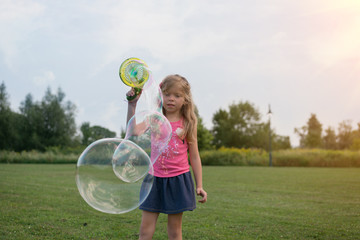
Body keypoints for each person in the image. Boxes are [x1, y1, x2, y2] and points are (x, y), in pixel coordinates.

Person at [126, 74, 207, 240]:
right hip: (154, 179)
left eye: (177, 95)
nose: (171, 99)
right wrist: (132, 104)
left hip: (178, 179)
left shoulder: (188, 123)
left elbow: (195, 156)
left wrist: (199, 185)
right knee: (145, 229)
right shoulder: (155, 119)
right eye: (167, 94)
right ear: (160, 95)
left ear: (185, 99)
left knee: (175, 231)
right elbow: (133, 131)